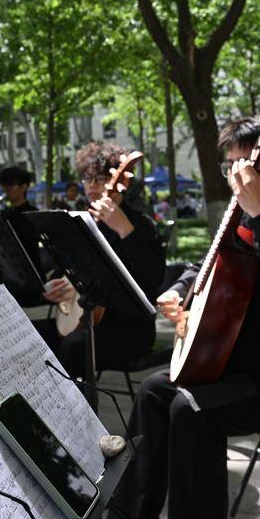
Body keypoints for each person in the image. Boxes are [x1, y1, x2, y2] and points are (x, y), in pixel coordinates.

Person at [104, 116, 260, 519]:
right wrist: (178, 293)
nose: (236, 177)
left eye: (245, 166)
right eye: (230, 167)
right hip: (236, 368)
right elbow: (202, 265)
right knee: (155, 391)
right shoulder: (237, 218)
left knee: (191, 411)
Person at [33, 141, 165, 378]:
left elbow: (153, 279)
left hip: (128, 329)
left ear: (121, 182)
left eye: (102, 178)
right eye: (87, 178)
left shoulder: (141, 224)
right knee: (28, 335)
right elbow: (63, 272)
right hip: (82, 321)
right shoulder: (78, 224)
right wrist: (56, 288)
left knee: (74, 348)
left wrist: (125, 229)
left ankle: (73, 413)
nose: (92, 185)